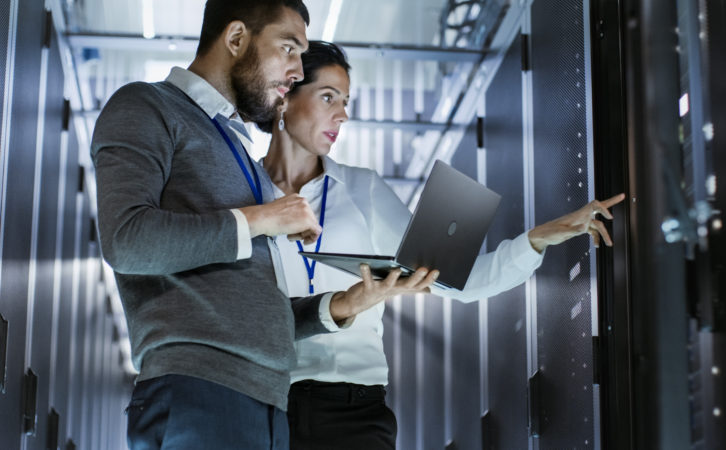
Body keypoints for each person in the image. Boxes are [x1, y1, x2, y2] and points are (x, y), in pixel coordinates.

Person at [90, 3, 435, 448]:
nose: (296, 70)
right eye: (289, 48)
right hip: (200, 390)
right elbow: (127, 240)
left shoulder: (237, 153)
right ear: (236, 40)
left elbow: (257, 312)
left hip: (267, 402)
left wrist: (341, 305)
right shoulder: (148, 105)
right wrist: (264, 217)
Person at [257, 40, 626, 449]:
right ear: (284, 96)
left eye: (345, 101)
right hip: (265, 407)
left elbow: (457, 281)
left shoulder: (364, 190)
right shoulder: (244, 198)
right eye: (328, 97)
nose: (342, 115)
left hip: (355, 412)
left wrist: (536, 239)